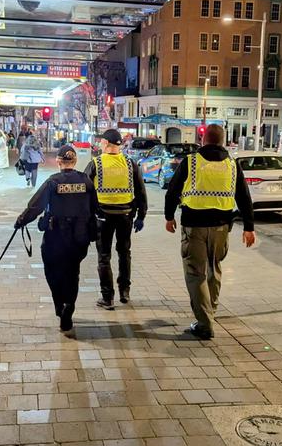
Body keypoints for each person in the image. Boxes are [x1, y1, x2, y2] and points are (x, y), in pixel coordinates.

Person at [164, 124, 256, 340]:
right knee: (214, 270)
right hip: (222, 228)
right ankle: (209, 313)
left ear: (203, 139)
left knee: (195, 273)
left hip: (194, 226)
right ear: (223, 141)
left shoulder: (191, 161)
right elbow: (244, 197)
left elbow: (173, 190)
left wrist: (169, 217)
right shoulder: (232, 165)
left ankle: (205, 324)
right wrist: (249, 227)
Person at [15, 145, 98, 332]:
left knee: (52, 272)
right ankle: (69, 306)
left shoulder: (53, 182)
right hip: (79, 237)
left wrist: (21, 221)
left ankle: (60, 305)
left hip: (56, 237)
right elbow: (95, 208)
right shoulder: (86, 182)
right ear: (75, 161)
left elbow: (35, 207)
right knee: (73, 273)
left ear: (58, 161)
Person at [84, 128, 147, 310]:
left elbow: (86, 191)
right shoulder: (130, 163)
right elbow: (141, 191)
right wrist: (141, 215)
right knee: (124, 252)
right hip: (126, 216)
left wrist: (86, 216)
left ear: (105, 143)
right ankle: (125, 291)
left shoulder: (96, 163)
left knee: (104, 257)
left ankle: (107, 297)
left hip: (102, 217)